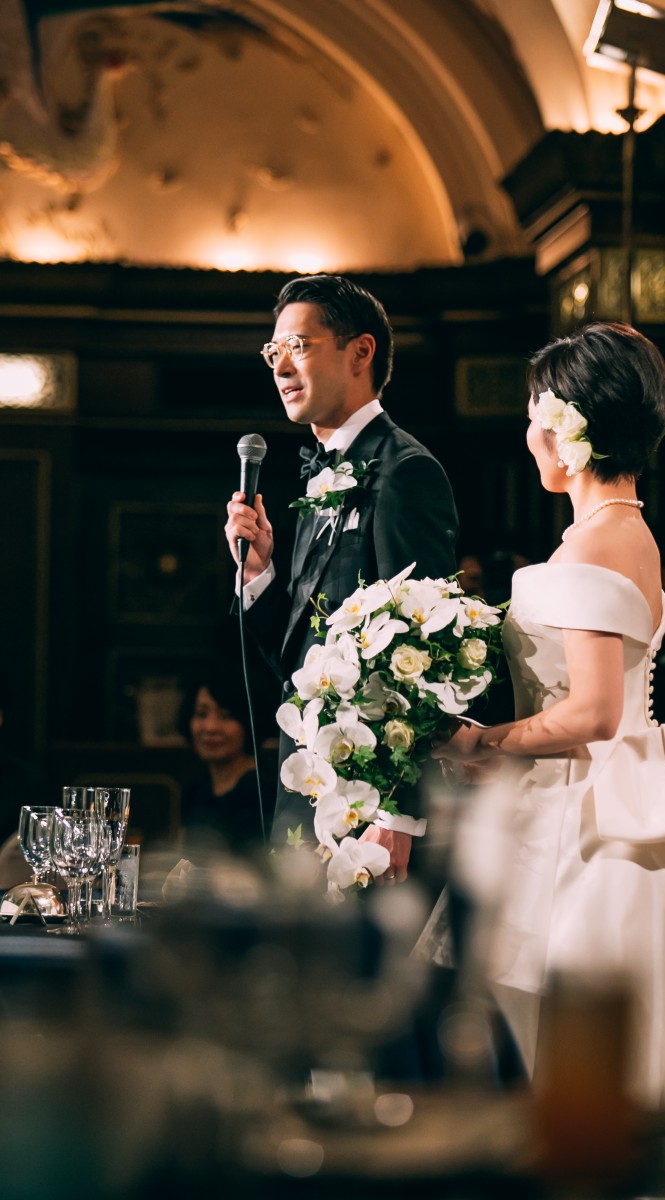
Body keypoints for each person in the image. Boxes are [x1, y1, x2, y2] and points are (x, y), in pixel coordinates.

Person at [431, 321, 665, 1109]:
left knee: (578, 1054)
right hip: (621, 795)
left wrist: (482, 739)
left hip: (586, 822)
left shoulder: (595, 545)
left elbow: (596, 712)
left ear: (567, 428)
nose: (527, 434)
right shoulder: (628, 532)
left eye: (533, 414)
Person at [225, 274, 458, 881]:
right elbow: (298, 656)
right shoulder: (322, 476)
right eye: (274, 352)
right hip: (307, 789)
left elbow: (427, 651)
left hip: (369, 809)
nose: (281, 367)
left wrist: (399, 816)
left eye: (298, 346)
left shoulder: (404, 471)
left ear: (361, 351)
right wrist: (260, 573)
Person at [178, 659, 273, 855]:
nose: (210, 727)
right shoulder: (195, 791)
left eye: (226, 716)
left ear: (250, 721)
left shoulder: (263, 791)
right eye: (201, 714)